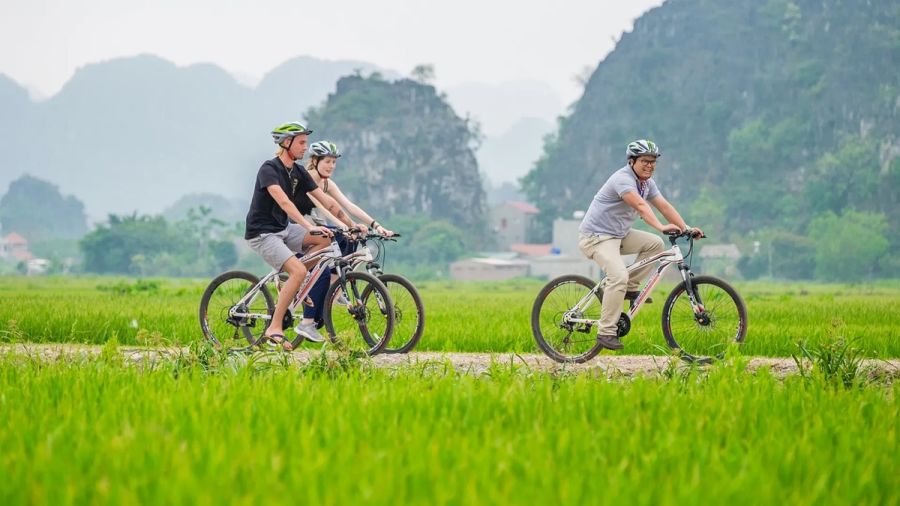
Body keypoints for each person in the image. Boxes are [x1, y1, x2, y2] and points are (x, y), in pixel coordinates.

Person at [244, 122, 362, 350]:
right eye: (301, 143)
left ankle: (295, 280)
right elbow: (285, 203)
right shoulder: (269, 169)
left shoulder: (297, 171)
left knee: (327, 240)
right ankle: (274, 328)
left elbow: (327, 201)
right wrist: (309, 226)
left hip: (284, 230)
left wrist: (351, 225)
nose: (304, 148)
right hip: (263, 233)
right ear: (286, 143)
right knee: (299, 269)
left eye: (305, 143)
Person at [578, 139, 703, 351]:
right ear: (632, 161)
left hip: (618, 235)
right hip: (596, 237)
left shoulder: (647, 183)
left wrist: (686, 227)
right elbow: (640, 206)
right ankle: (606, 331)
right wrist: (661, 226)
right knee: (618, 276)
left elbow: (663, 205)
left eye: (653, 162)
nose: (650, 165)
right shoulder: (623, 180)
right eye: (645, 161)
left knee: (655, 244)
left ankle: (629, 288)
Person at [291, 140, 395, 342]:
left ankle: (335, 284)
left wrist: (377, 225)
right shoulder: (308, 178)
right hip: (297, 228)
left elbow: (348, 205)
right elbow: (326, 208)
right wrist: (346, 226)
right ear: (315, 161)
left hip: (313, 226)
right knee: (342, 235)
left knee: (350, 239)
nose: (331, 166)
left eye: (334, 162)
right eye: (327, 161)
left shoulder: (327, 182)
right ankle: (329, 288)